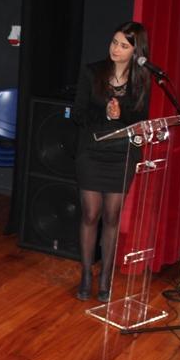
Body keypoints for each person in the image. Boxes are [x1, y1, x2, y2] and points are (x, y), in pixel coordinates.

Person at [73, 22, 150, 302]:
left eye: (123, 45)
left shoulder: (141, 80)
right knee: (90, 214)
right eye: (114, 42)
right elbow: (78, 114)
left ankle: (105, 277)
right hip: (92, 151)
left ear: (135, 52)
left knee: (112, 216)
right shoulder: (92, 72)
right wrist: (105, 114)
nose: (116, 49)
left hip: (121, 154)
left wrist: (121, 116)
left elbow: (141, 118)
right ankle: (86, 274)